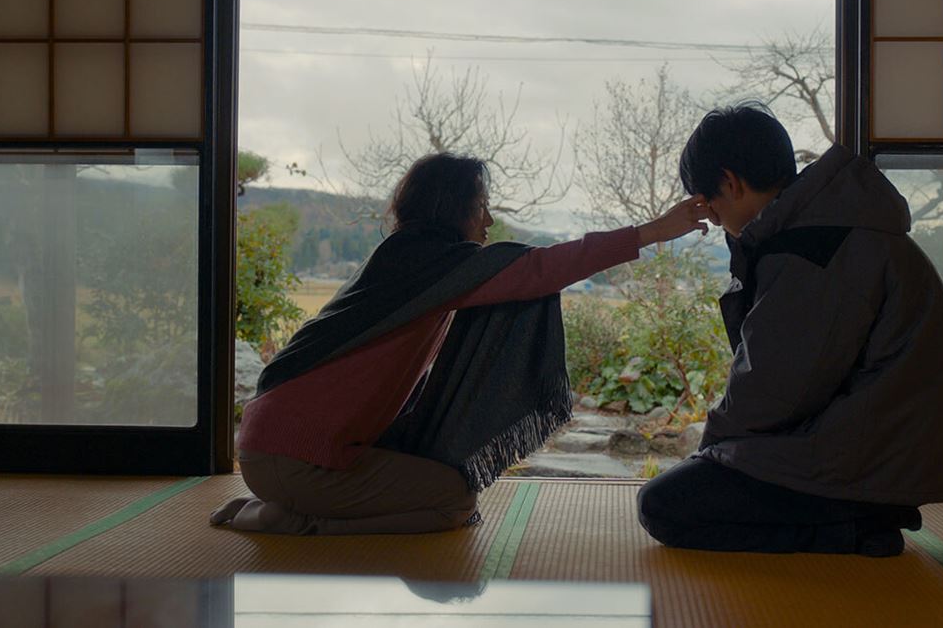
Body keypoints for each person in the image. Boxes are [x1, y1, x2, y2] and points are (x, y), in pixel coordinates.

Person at [212, 152, 708, 535]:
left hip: (274, 447)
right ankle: (298, 522)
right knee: (454, 501)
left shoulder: (404, 258)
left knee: (439, 487)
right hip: (296, 458)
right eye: (481, 207)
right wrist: (654, 231)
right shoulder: (432, 265)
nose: (487, 222)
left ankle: (281, 504)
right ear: (453, 209)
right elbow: (541, 269)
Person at [636, 103, 943, 557]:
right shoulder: (836, 227)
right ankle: (856, 518)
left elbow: (774, 392)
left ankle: (853, 529)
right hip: (883, 445)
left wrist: (711, 447)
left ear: (731, 183)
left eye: (712, 209)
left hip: (866, 458)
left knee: (663, 506)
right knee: (701, 479)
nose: (717, 223)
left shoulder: (813, 249)